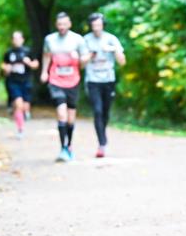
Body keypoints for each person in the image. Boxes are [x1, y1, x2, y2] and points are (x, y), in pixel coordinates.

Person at [41, 12, 91, 162]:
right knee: (61, 114)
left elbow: (85, 62)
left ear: (69, 24)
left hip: (73, 81)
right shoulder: (49, 39)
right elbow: (46, 55)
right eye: (59, 24)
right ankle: (62, 148)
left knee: (70, 118)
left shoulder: (78, 40)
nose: (62, 27)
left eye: (64, 24)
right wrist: (44, 72)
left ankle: (69, 146)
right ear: (57, 25)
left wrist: (80, 59)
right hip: (56, 81)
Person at [83, 12, 126, 158]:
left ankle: (103, 136)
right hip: (92, 80)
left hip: (108, 80)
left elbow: (122, 62)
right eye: (94, 25)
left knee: (105, 112)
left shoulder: (111, 39)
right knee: (97, 111)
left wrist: (114, 50)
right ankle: (102, 144)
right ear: (91, 26)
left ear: (103, 25)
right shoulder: (86, 40)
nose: (96, 28)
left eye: (99, 25)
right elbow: (80, 64)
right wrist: (90, 56)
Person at [2, 31, 39, 138]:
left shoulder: (28, 51)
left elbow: (36, 64)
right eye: (14, 38)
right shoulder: (9, 53)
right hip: (13, 82)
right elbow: (4, 66)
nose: (16, 40)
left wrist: (29, 63)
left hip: (26, 81)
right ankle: (20, 129)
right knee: (18, 105)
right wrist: (6, 69)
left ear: (22, 39)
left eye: (18, 38)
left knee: (25, 106)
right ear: (12, 40)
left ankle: (25, 113)